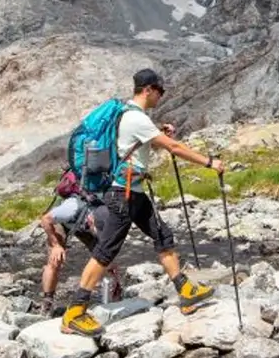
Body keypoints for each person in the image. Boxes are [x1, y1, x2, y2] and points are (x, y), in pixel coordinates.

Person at [60, 69, 224, 338]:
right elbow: (175, 148)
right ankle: (74, 313)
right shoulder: (136, 118)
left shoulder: (131, 116)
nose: (161, 96)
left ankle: (185, 291)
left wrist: (158, 132)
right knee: (105, 252)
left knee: (162, 235)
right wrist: (209, 162)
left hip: (133, 192)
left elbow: (136, 144)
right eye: (160, 91)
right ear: (148, 89)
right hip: (122, 195)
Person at [37, 170, 122, 317]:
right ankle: (47, 302)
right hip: (61, 223)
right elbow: (45, 220)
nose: (96, 232)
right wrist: (56, 245)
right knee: (55, 261)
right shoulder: (70, 208)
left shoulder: (104, 212)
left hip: (82, 224)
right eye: (96, 229)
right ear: (91, 220)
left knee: (106, 257)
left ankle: (116, 291)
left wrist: (113, 269)